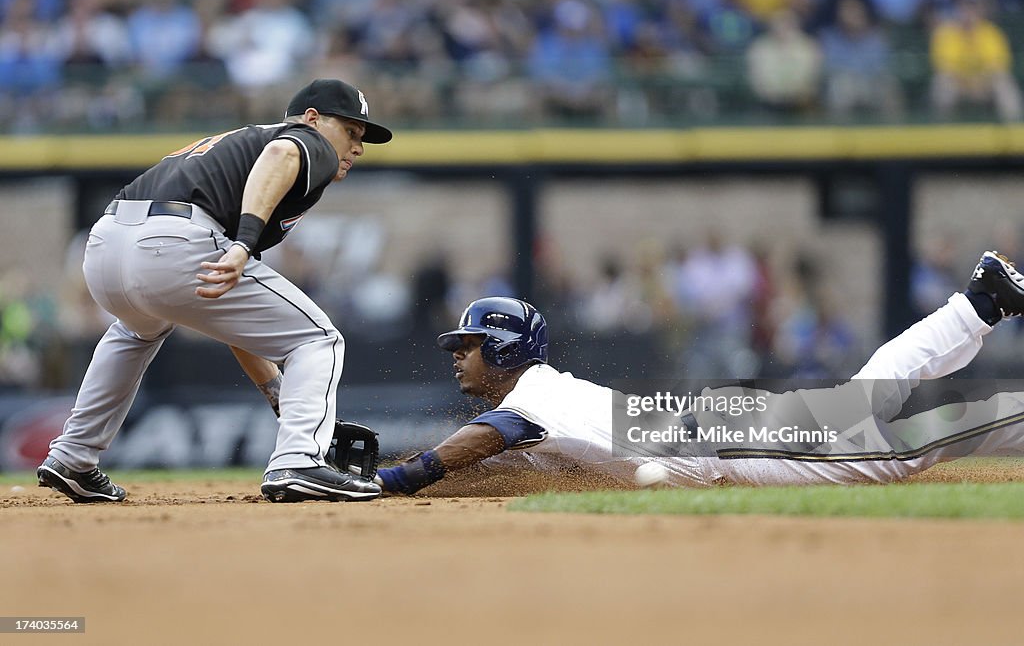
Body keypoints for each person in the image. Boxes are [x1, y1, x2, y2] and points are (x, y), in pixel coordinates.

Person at [373, 251, 1024, 494]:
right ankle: (981, 302)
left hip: (719, 437)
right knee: (865, 402)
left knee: (891, 450)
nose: (457, 354)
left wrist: (396, 479)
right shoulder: (547, 411)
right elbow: (497, 463)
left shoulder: (533, 396)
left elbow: (474, 445)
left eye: (469, 343)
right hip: (711, 428)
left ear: (506, 349)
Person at [37, 78, 391, 504]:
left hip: (107, 245)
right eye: (351, 132)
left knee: (135, 332)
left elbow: (231, 319)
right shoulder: (305, 138)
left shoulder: (236, 145)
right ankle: (299, 458)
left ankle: (74, 456)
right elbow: (282, 153)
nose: (357, 147)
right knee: (320, 339)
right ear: (313, 118)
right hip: (176, 238)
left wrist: (277, 391)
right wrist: (243, 243)